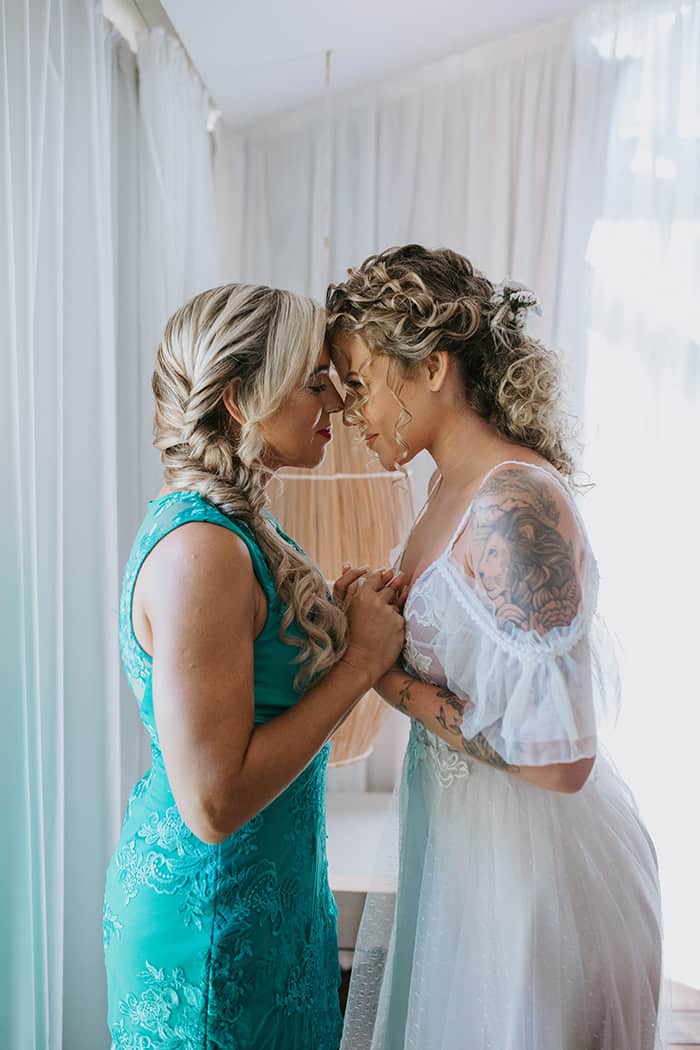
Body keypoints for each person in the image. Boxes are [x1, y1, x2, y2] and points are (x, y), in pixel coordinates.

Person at [327, 245, 663, 1050]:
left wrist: (383, 673)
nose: (347, 409)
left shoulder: (514, 502)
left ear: (431, 367)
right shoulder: (447, 485)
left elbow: (560, 759)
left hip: (535, 887)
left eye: (360, 381)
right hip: (466, 860)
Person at [103, 283, 405, 1050]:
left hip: (269, 901)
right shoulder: (201, 550)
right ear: (241, 399)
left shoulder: (241, 526)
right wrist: (358, 665)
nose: (335, 401)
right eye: (313, 381)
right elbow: (213, 804)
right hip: (211, 924)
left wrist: (338, 619)